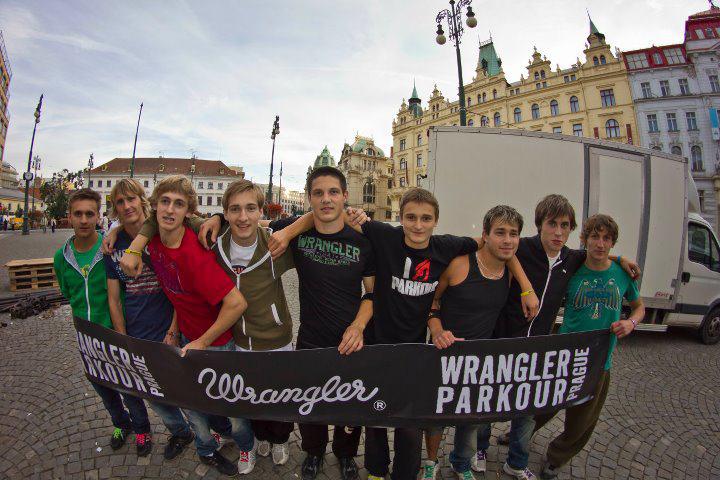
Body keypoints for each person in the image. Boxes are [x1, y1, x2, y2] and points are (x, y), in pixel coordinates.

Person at [343, 188, 539, 480]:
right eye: (410, 217)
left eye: (426, 218)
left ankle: (406, 473)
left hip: (415, 351)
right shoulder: (384, 235)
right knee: (376, 417)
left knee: (410, 423)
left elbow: (499, 248)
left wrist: (526, 287)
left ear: (436, 221)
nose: (418, 225)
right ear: (401, 217)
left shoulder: (446, 247)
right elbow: (331, 214)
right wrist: (354, 214)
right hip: (378, 345)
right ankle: (375, 470)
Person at [475, 195, 640, 480]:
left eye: (565, 226)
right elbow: (497, 249)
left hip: (540, 346)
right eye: (553, 225)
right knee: (491, 400)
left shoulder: (571, 258)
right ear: (540, 225)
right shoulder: (522, 247)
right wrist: (526, 287)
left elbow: (597, 255)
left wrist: (620, 258)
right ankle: (479, 448)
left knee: (528, 407)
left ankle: (516, 462)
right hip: (504, 339)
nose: (559, 232)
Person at [263, 167, 374, 480]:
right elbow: (246, 224)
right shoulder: (297, 232)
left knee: (350, 406)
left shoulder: (363, 240)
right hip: (310, 338)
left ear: (345, 197)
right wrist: (216, 219)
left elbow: (373, 293)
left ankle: (346, 454)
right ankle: (313, 452)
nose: (326, 199)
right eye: (318, 193)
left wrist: (359, 326)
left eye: (333, 192)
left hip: (350, 340)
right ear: (309, 198)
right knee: (310, 404)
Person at [136, 175, 251, 476]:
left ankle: (244, 444)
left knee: (228, 408)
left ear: (188, 212)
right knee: (192, 403)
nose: (170, 209)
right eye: (164, 201)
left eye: (178, 204)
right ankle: (206, 450)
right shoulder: (156, 245)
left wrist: (202, 341)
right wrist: (174, 332)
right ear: (155, 206)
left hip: (216, 343)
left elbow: (237, 303)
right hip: (188, 337)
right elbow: (178, 295)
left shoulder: (193, 254)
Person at [534, 214, 644, 479]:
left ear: (613, 243)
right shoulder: (574, 268)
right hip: (566, 354)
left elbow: (639, 308)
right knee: (543, 403)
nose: (600, 244)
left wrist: (630, 323)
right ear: (584, 239)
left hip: (599, 360)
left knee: (581, 420)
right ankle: (519, 434)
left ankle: (556, 457)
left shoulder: (622, 274)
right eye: (595, 236)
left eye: (607, 238)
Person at [428, 205, 524, 480]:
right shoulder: (460, 264)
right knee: (436, 417)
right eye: (500, 233)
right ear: (485, 235)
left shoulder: (509, 273)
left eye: (514, 234)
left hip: (478, 362)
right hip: (444, 354)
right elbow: (431, 301)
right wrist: (437, 331)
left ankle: (461, 464)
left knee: (471, 420)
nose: (507, 240)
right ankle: (431, 462)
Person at [103, 178, 197, 459]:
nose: (127, 205)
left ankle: (209, 432)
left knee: (182, 390)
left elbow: (181, 287)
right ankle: (182, 432)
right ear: (115, 209)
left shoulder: (160, 232)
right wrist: (123, 337)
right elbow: (114, 297)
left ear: (143, 201)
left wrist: (173, 329)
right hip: (136, 330)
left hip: (167, 328)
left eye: (131, 199)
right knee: (153, 395)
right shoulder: (113, 244)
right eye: (120, 202)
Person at [53, 189, 151, 455]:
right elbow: (66, 291)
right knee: (102, 386)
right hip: (85, 333)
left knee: (128, 384)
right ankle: (121, 423)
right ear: (69, 217)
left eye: (89, 214)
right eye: (78, 214)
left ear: (98, 217)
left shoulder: (110, 248)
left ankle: (142, 429)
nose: (84, 220)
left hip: (113, 330)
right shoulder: (61, 257)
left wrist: (117, 230)